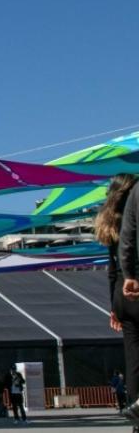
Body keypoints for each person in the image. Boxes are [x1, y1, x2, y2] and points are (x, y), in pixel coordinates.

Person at [104, 174, 139, 425]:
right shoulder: (133, 215)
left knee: (134, 361)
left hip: (120, 296)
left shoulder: (109, 222)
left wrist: (113, 307)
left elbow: (110, 269)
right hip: (134, 285)